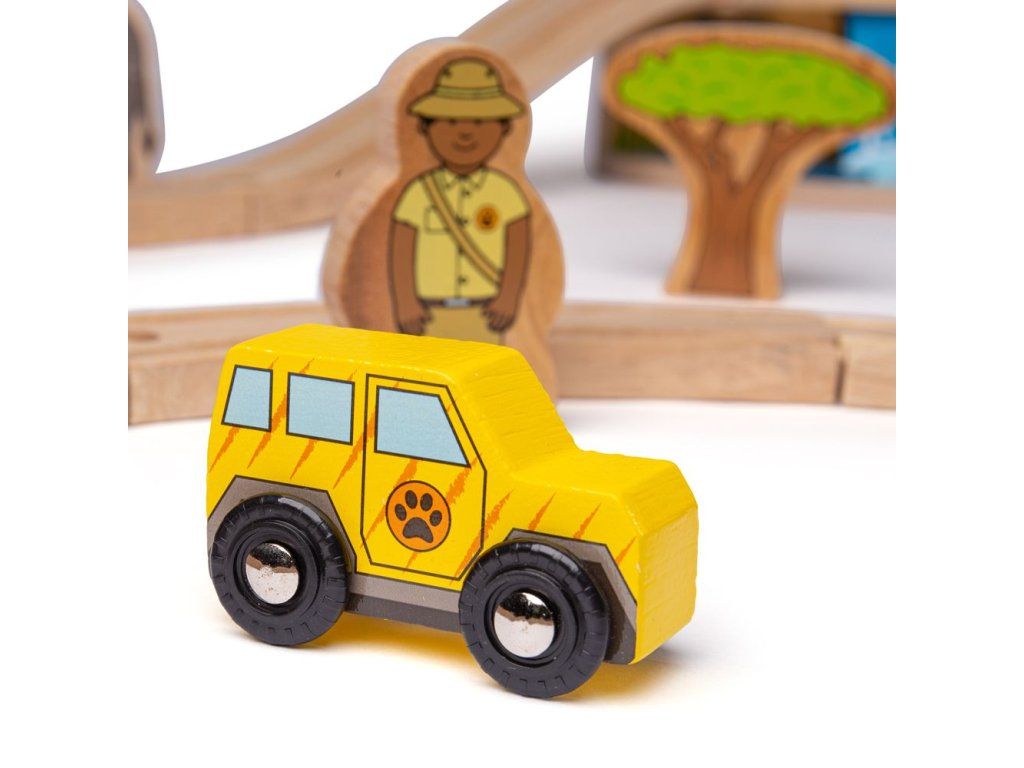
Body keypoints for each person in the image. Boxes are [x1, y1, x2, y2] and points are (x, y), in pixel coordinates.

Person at [390, 57, 531, 344]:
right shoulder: (419, 192)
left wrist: (508, 297)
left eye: (480, 122)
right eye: (451, 121)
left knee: (486, 369)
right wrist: (405, 302)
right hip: (429, 315)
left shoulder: (505, 192)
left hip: (485, 314)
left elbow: (519, 246)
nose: (466, 133)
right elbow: (401, 249)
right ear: (425, 128)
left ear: (504, 129)